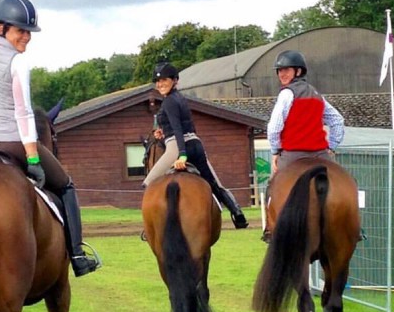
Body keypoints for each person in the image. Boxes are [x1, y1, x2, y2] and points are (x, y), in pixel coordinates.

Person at [0, 0, 99, 277]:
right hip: (12, 142)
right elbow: (23, 113)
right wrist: (32, 157)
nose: (27, 38)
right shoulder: (18, 62)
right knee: (67, 185)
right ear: (1, 28)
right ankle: (78, 256)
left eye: (28, 32)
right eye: (21, 30)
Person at [142, 61, 248, 229]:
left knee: (148, 183)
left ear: (174, 80)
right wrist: (164, 134)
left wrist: (182, 154)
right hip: (196, 145)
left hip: (177, 147)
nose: (160, 84)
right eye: (158, 81)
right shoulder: (181, 98)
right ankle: (237, 213)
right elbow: (185, 126)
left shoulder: (168, 101)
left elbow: (177, 129)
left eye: (164, 80)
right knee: (214, 184)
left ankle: (151, 228)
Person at [263, 49, 345, 242]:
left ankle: (269, 230)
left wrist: (275, 151)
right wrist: (331, 147)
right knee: (345, 182)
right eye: (279, 71)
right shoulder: (318, 96)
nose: (282, 74)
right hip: (320, 155)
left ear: (298, 71)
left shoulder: (286, 94)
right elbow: (337, 121)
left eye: (286, 70)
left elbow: (274, 127)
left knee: (272, 187)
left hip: (292, 155)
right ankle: (355, 227)